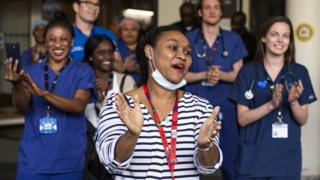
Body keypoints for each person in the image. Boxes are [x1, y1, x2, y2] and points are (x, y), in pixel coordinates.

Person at [95, 26, 223, 179]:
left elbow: (209, 167)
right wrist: (131, 135)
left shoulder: (201, 109)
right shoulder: (119, 105)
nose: (182, 56)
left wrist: (205, 147)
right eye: (173, 47)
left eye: (187, 52)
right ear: (149, 52)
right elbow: (111, 164)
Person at [4, 11, 94, 180]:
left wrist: (43, 94)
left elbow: (78, 106)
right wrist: (17, 84)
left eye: (63, 39)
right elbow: (23, 107)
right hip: (33, 161)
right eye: (52, 39)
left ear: (72, 42)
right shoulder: (31, 71)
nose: (57, 44)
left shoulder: (83, 71)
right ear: (45, 42)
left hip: (69, 161)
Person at [230, 16, 317, 180]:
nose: (280, 40)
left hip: (285, 161)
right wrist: (271, 104)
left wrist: (292, 102)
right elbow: (242, 119)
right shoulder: (248, 72)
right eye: (274, 34)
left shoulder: (299, 72)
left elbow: (302, 119)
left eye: (286, 36)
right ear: (263, 37)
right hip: (252, 159)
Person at [185, 0, 247, 179]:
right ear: (199, 13)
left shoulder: (233, 39)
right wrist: (204, 75)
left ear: (221, 13)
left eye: (216, 7)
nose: (212, 11)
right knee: (193, 163)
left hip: (226, 108)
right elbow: (180, 75)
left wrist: (221, 76)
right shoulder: (188, 39)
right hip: (195, 108)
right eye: (207, 7)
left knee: (230, 163)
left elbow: (239, 74)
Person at [83, 35, 135, 180]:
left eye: (110, 52)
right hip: (87, 154)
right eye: (101, 52)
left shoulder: (126, 81)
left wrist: (103, 101)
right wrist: (91, 95)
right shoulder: (81, 83)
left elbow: (132, 117)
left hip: (117, 152)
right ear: (90, 57)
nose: (107, 57)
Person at [71, 0, 123, 72]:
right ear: (76, 7)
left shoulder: (107, 34)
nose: (93, 7)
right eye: (88, 3)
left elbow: (119, 67)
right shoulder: (66, 35)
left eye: (97, 4)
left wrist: (99, 59)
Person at [118, 18, 141, 83]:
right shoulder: (115, 47)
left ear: (138, 32)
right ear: (120, 33)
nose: (129, 32)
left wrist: (137, 69)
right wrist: (124, 67)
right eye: (125, 29)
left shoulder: (145, 48)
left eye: (133, 29)